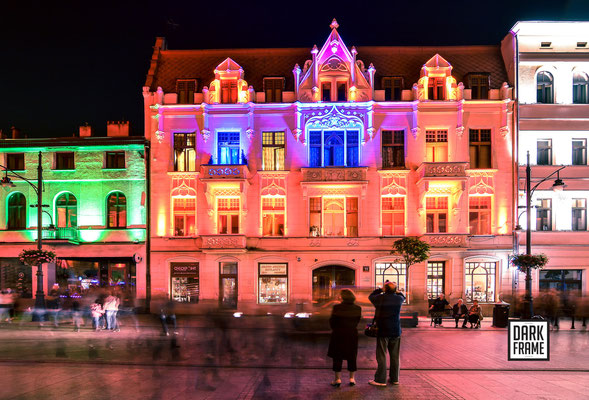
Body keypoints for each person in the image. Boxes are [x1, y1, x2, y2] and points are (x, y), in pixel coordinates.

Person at [368, 281, 405, 387]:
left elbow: (371, 296)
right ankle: (394, 379)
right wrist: (396, 291)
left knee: (382, 355)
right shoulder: (399, 299)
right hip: (396, 330)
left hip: (383, 330)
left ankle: (380, 380)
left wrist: (380, 289)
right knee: (395, 356)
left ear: (385, 289)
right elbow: (402, 295)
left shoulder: (380, 298)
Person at [327, 289, 362, 387]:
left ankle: (337, 379)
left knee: (337, 356)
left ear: (342, 297)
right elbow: (357, 321)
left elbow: (332, 321)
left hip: (338, 334)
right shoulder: (358, 308)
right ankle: (352, 379)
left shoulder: (337, 307)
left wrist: (336, 328)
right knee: (352, 356)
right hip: (351, 334)